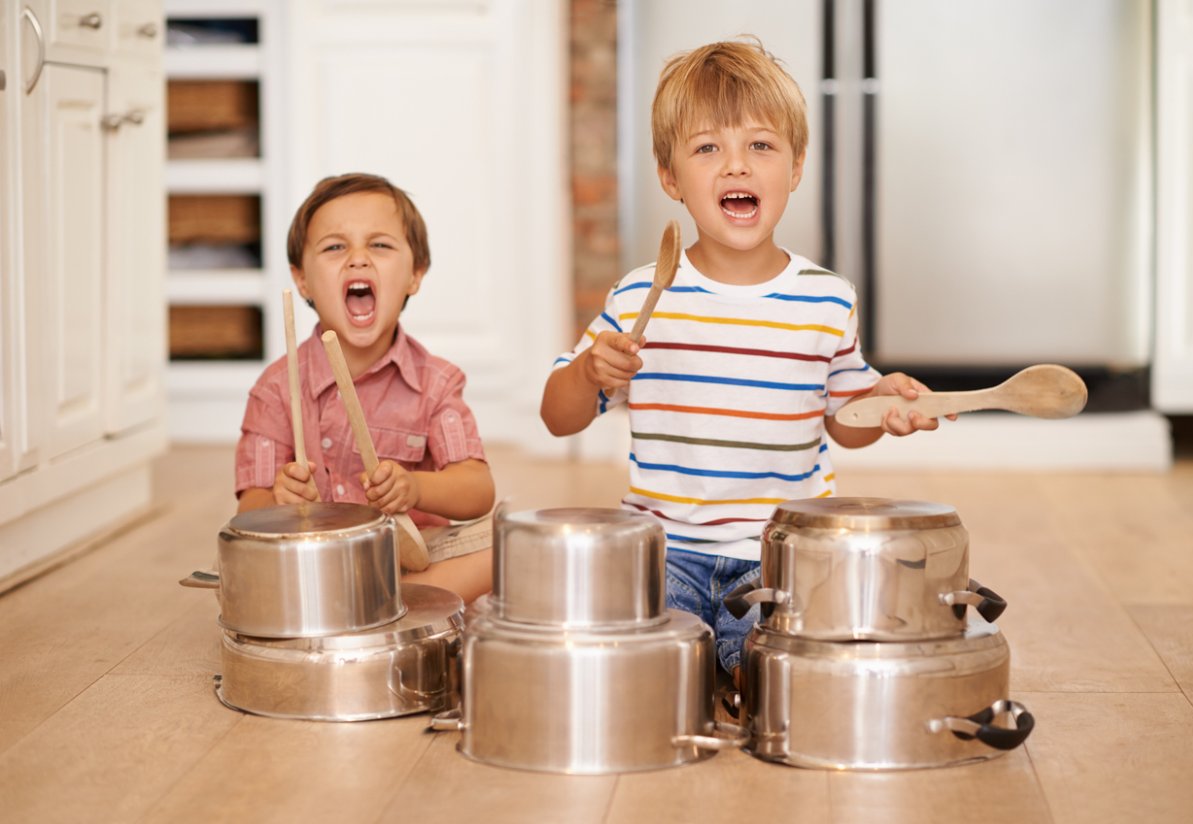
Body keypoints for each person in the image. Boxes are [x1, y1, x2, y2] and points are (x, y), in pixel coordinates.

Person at [540, 39, 947, 682]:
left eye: (761, 145)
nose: (736, 166)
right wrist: (590, 370)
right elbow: (558, 417)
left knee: (782, 668)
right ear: (670, 176)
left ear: (796, 166)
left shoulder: (827, 300)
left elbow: (846, 421)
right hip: (664, 551)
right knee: (634, 665)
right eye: (708, 148)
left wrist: (883, 405)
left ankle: (738, 668)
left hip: (781, 554)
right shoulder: (644, 296)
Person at [235, 173, 495, 602]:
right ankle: (390, 606)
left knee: (503, 541)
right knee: (240, 563)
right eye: (335, 247)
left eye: (380, 245)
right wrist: (280, 498)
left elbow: (477, 489)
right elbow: (248, 510)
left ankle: (364, 605)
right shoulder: (277, 389)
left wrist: (416, 488)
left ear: (415, 274)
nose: (358, 259)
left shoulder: (436, 381)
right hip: (311, 560)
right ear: (302, 280)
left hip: (410, 558)